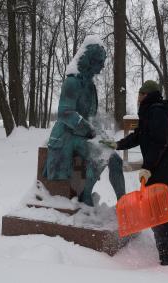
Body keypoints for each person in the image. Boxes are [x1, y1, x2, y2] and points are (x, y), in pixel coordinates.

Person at [102, 80, 168, 265]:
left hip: (165, 170)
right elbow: (140, 136)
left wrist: (147, 167)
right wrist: (118, 144)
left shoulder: (157, 112)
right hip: (162, 169)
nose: (137, 97)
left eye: (139, 93)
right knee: (159, 212)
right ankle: (165, 254)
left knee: (162, 213)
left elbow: (158, 142)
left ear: (145, 94)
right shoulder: (151, 111)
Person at [43, 36, 125, 207]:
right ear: (89, 61)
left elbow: (91, 117)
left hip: (83, 134)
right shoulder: (72, 82)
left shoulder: (90, 86)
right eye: (100, 62)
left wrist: (102, 134)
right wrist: (89, 130)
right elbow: (65, 113)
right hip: (67, 135)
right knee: (101, 154)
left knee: (114, 158)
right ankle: (85, 196)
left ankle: (124, 204)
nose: (103, 66)